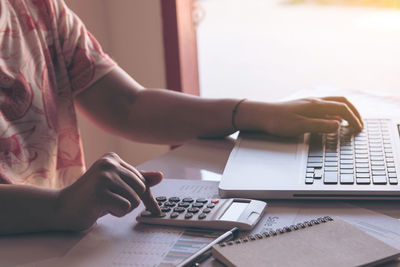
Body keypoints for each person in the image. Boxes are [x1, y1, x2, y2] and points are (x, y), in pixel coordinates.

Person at [0, 0, 363, 235]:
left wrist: (253, 113)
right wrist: (61, 206)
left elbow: (127, 105)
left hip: (59, 239)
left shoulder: (37, 8)